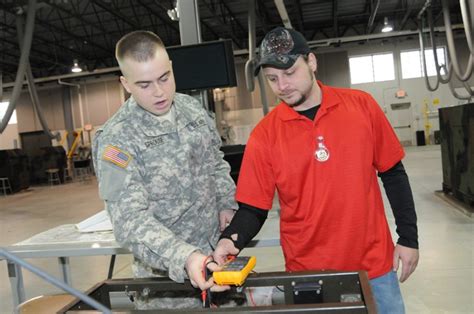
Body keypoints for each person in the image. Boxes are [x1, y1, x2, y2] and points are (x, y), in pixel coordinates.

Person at [213, 27, 419, 313]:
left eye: (290, 73)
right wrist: (230, 240)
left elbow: (393, 174)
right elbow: (253, 209)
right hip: (307, 276)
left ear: (311, 62)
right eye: (272, 78)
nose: (282, 85)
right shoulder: (265, 135)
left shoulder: (362, 107)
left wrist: (409, 238)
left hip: (374, 268)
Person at [92, 30, 237, 309]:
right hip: (167, 289)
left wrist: (226, 205)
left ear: (171, 67)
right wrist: (185, 257)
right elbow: (130, 221)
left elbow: (215, 163)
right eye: (144, 84)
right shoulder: (116, 139)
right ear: (125, 84)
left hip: (218, 265)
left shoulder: (191, 109)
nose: (159, 92)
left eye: (164, 78)